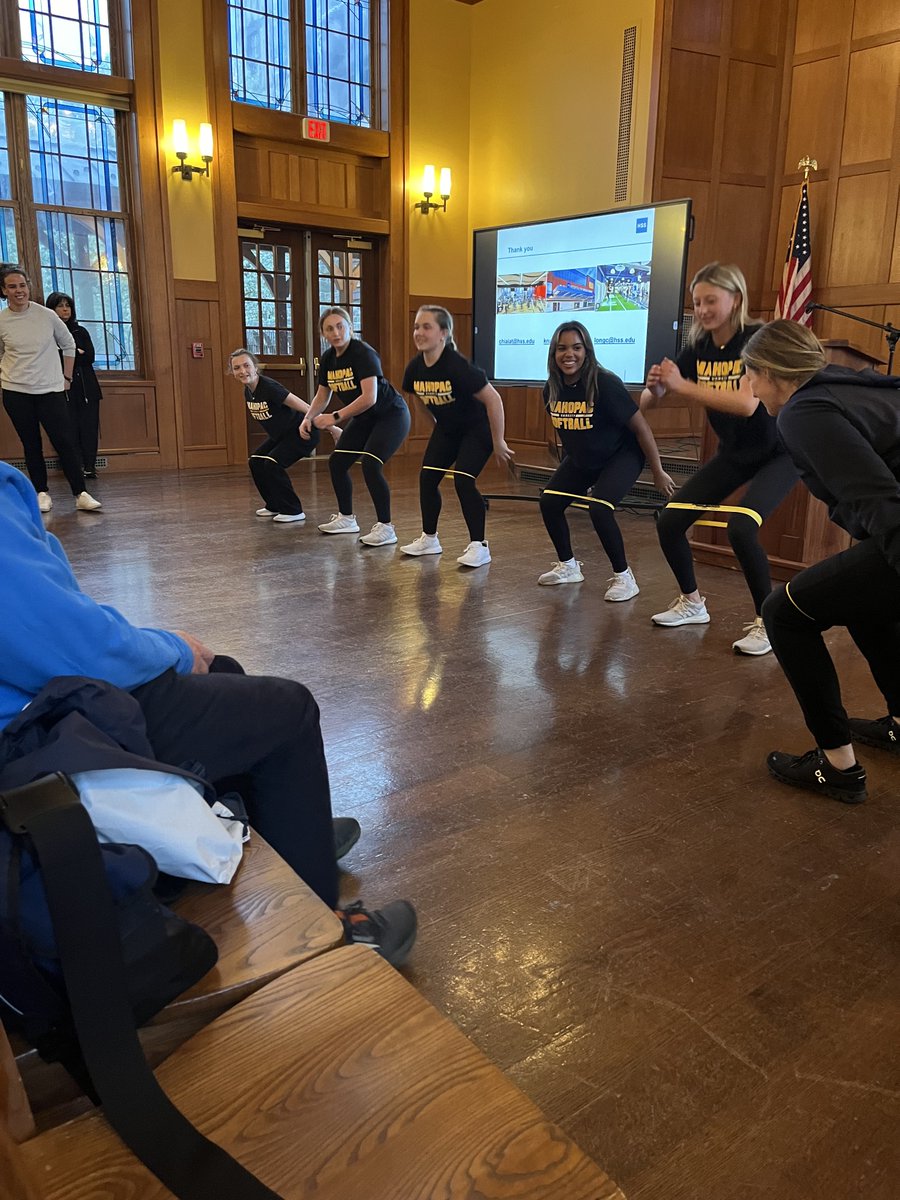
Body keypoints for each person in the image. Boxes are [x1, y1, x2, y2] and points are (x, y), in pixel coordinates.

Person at [0, 458, 417, 964]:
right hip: (32, 738)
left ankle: (284, 830)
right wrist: (173, 647)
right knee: (289, 710)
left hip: (31, 712)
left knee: (224, 669)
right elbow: (72, 646)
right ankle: (321, 936)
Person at [741, 320, 900, 805]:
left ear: (769, 371)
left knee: (782, 613)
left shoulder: (803, 411)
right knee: (860, 602)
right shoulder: (847, 385)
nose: (748, 386)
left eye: (749, 374)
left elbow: (881, 501)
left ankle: (838, 767)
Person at [640, 263, 798, 655]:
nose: (703, 309)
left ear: (736, 299)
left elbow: (746, 404)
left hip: (779, 454)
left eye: (711, 300)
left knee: (741, 529)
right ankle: (692, 603)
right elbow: (649, 406)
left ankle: (769, 622)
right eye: (697, 302)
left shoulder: (755, 339)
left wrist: (683, 386)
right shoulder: (699, 348)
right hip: (737, 454)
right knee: (670, 520)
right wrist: (657, 389)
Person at [537, 321, 676, 596]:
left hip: (621, 455)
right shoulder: (551, 389)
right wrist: (573, 475)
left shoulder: (605, 383)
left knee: (600, 508)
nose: (570, 354)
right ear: (553, 353)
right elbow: (569, 432)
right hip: (584, 458)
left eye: (577, 348)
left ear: (587, 351)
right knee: (549, 501)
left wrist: (658, 471)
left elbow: (641, 428)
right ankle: (568, 567)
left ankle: (625, 577)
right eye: (562, 348)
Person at [400, 305, 513, 568]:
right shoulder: (415, 368)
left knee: (463, 480)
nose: (419, 332)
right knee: (428, 478)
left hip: (477, 428)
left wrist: (499, 441)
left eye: (426, 327)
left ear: (443, 333)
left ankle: (480, 546)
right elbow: (417, 400)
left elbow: (494, 400)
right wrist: (436, 429)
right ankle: (430, 539)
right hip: (449, 429)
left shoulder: (457, 366)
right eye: (416, 326)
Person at [301, 307, 410, 545]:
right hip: (365, 418)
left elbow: (369, 397)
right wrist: (308, 417)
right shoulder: (329, 359)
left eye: (341, 326)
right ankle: (347, 519)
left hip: (390, 415)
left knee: (371, 464)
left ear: (350, 327)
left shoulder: (363, 353)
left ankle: (386, 527)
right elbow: (322, 396)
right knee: (337, 462)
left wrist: (334, 418)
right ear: (323, 333)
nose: (336, 332)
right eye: (329, 328)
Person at [0, 266, 101, 513]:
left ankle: (81, 493)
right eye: (12, 287)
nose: (18, 291)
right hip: (16, 391)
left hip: (50, 390)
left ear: (29, 286)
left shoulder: (46, 315)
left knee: (64, 441)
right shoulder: (2, 320)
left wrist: (66, 377)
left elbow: (68, 344)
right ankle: (41, 492)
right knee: (30, 443)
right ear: (4, 291)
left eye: (22, 285)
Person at [229, 348, 318, 523]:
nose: (242, 371)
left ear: (255, 367)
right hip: (281, 436)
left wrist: (332, 428)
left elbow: (306, 407)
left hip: (302, 434)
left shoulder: (269, 387)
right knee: (255, 461)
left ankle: (293, 510)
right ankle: (274, 505)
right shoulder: (248, 391)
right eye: (237, 368)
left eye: (246, 365)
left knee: (272, 463)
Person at [46, 291, 103, 479]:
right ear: (51, 310)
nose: (65, 309)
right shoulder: (48, 333)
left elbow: (89, 357)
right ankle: (73, 467)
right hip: (61, 387)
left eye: (67, 305)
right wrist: (74, 352)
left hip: (87, 387)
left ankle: (89, 466)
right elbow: (54, 359)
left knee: (89, 428)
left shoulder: (80, 331)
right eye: (60, 306)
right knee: (67, 428)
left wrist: (72, 353)